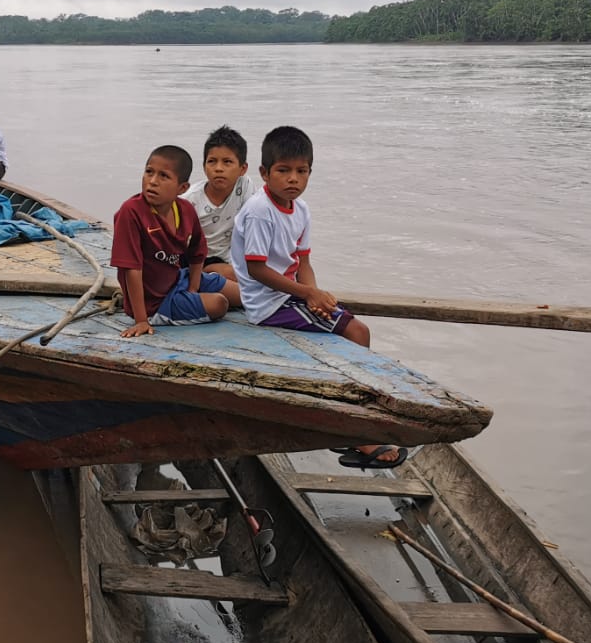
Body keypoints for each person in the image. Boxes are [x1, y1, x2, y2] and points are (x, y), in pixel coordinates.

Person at [231, 125, 405, 469]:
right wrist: (309, 293)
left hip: (290, 296)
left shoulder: (301, 210)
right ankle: (356, 428)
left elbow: (303, 262)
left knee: (344, 324)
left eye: (301, 171)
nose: (292, 179)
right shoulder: (259, 211)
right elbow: (258, 271)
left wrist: (317, 298)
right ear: (265, 173)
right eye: (283, 171)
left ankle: (350, 408)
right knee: (357, 333)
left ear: (310, 172)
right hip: (268, 304)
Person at [111, 145, 229, 338]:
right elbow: (131, 269)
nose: (153, 181)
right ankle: (163, 312)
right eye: (149, 172)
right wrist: (141, 320)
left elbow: (198, 252)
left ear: (182, 188)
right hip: (156, 302)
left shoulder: (185, 209)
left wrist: (192, 288)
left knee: (242, 294)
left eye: (163, 176)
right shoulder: (131, 212)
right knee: (220, 304)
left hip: (178, 279)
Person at [184, 124, 253, 288]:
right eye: (212, 162)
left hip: (231, 256)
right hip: (201, 261)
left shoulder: (244, 186)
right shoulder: (189, 201)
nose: (219, 168)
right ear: (204, 167)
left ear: (242, 169)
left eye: (227, 162)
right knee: (238, 281)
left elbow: (253, 226)